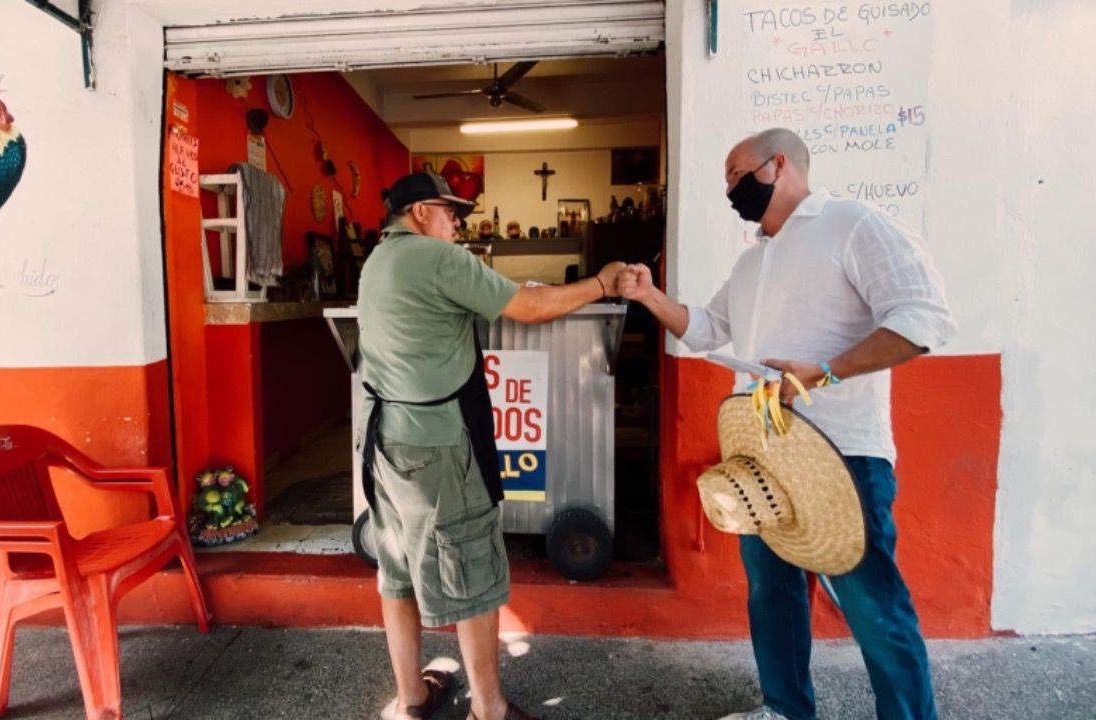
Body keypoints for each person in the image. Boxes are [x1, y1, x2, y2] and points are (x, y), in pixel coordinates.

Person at [619, 128, 956, 720]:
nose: (729, 189)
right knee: (771, 593)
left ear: (778, 165)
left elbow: (922, 320)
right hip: (762, 455)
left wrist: (822, 373)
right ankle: (784, 708)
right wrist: (650, 297)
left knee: (874, 607)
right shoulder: (753, 258)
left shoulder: (853, 224)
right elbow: (707, 329)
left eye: (736, 174)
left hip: (843, 453)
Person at [360, 172, 626, 720]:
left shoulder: (378, 259)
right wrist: (602, 284)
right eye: (451, 213)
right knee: (471, 566)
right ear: (420, 212)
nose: (459, 223)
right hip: (439, 445)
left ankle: (413, 699)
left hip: (387, 439)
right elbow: (529, 307)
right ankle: (490, 709)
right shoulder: (438, 258)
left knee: (399, 568)